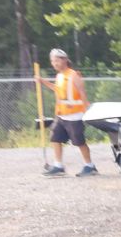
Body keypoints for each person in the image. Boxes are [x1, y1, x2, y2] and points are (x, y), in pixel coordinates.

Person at [35, 48, 98, 177]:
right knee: (55, 138)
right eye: (52, 61)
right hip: (62, 115)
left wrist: (87, 111)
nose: (54, 63)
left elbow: (82, 92)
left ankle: (90, 166)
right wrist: (43, 81)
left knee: (79, 142)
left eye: (56, 60)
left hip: (75, 115)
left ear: (64, 60)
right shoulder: (59, 76)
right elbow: (56, 89)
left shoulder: (73, 75)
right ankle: (58, 166)